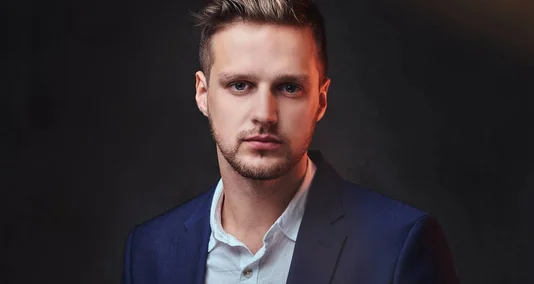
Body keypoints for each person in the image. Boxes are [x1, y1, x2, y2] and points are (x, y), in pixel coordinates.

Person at [120, 0, 460, 283]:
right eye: (240, 85)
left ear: (321, 101)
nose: (265, 114)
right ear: (203, 94)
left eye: (289, 88)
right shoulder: (150, 250)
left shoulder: (398, 244)